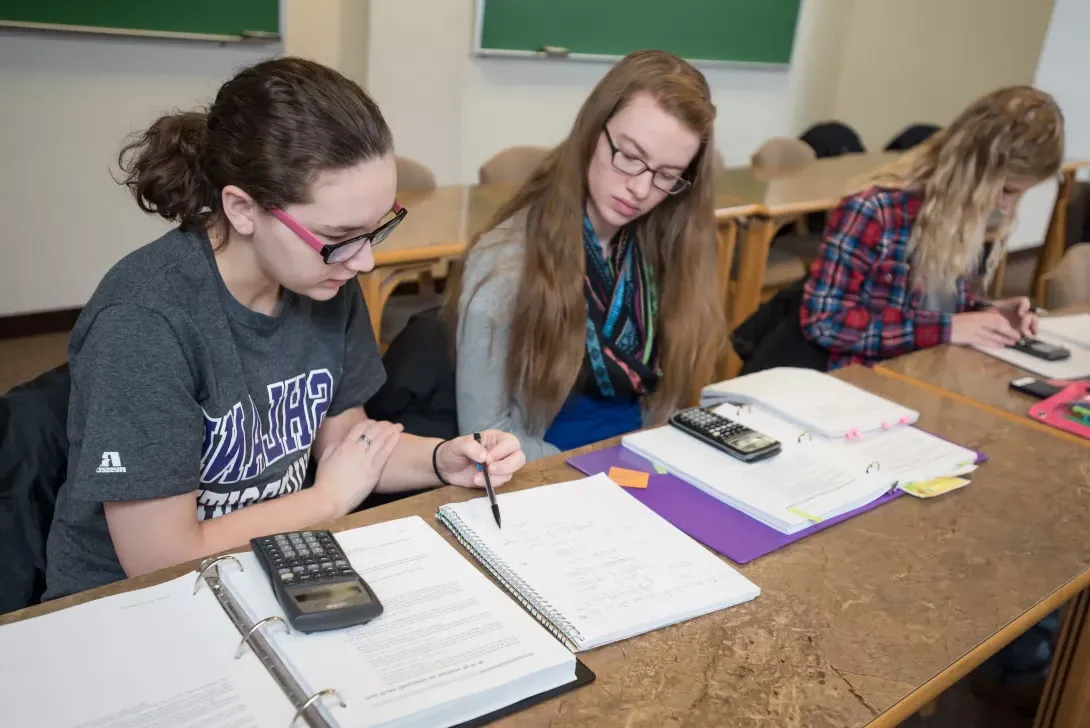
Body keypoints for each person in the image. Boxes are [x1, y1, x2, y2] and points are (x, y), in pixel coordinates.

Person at [44, 58, 526, 600]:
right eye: (340, 235)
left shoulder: (323, 279)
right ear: (242, 208)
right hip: (131, 605)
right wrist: (326, 500)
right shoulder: (145, 322)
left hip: (270, 561)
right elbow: (159, 558)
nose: (364, 263)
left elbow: (350, 443)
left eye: (376, 230)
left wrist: (442, 459)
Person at [446, 50, 725, 461]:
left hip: (642, 460)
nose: (641, 189)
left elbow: (667, 405)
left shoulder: (661, 244)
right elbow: (486, 436)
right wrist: (601, 470)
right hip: (553, 475)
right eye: (629, 156)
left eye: (666, 175)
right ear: (593, 130)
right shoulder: (506, 262)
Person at [801, 86, 1064, 370]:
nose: (1008, 208)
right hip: (869, 383)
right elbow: (824, 323)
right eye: (1006, 190)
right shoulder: (874, 210)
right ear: (971, 169)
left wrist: (987, 314)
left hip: (929, 367)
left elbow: (931, 305)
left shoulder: (961, 214)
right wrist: (949, 328)